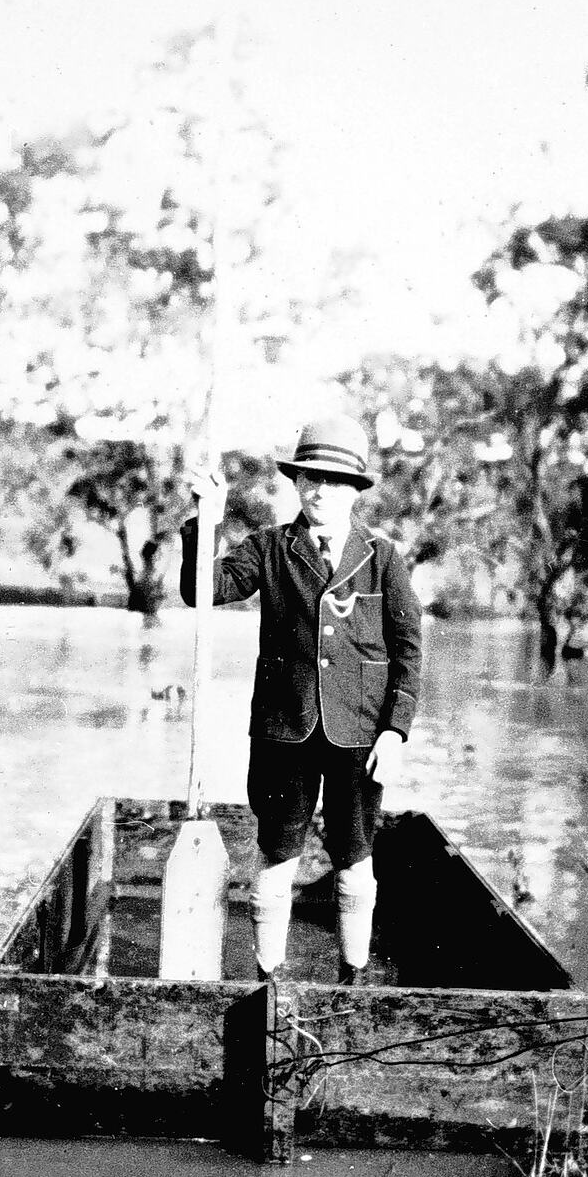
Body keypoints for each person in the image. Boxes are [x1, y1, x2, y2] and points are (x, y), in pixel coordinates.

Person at [180, 413, 422, 985]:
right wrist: (204, 520)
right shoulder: (269, 548)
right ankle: (269, 980)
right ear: (295, 484)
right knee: (276, 853)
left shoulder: (382, 558)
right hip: (282, 734)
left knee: (355, 856)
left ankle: (352, 978)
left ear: (355, 491)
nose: (320, 490)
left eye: (335, 482)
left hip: (360, 735)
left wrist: (395, 730)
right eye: (309, 478)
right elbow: (199, 593)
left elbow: (409, 648)